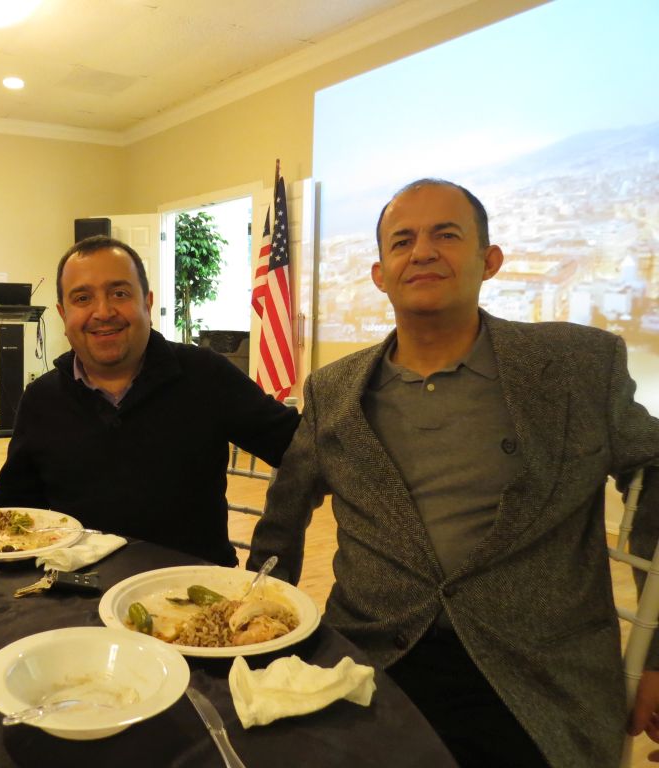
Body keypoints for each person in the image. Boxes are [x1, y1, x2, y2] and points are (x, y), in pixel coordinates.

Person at [248, 178, 659, 768]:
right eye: (402, 241)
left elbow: (655, 468)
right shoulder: (333, 391)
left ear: (490, 261)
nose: (422, 252)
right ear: (380, 274)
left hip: (536, 679)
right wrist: (262, 630)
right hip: (368, 662)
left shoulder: (578, 366)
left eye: (446, 235)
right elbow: (283, 516)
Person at [0, 235, 300, 565]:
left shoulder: (206, 375)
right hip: (77, 591)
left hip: (192, 596)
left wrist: (276, 548)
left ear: (147, 302)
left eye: (119, 293)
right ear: (63, 314)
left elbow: (302, 450)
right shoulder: (42, 399)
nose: (103, 312)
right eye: (82, 298)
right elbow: (23, 505)